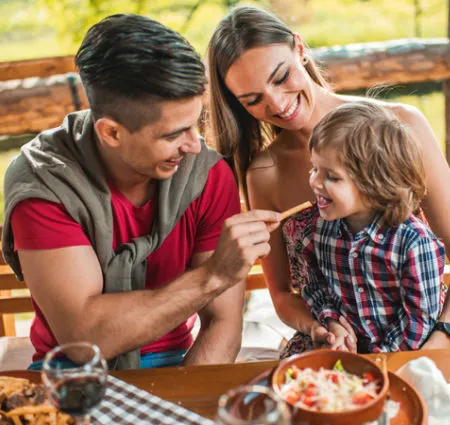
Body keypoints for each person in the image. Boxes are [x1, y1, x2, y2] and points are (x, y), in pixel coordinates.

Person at [1, 14, 281, 370]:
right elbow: (86, 340)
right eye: (172, 135)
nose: (194, 146)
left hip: (181, 361)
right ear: (111, 133)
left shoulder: (208, 175)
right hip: (72, 370)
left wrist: (183, 409)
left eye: (196, 124)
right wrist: (213, 275)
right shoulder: (45, 185)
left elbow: (223, 324)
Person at [207, 5, 450, 352]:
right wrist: (322, 327)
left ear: (300, 48)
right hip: (334, 346)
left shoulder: (401, 126)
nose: (277, 104)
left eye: (280, 77)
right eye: (253, 100)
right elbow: (281, 295)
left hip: (424, 334)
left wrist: (438, 341)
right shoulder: (264, 173)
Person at [282, 101, 446, 355]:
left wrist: (377, 358)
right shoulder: (319, 229)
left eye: (332, 177)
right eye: (314, 168)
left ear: (375, 184)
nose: (315, 182)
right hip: (347, 347)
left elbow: (418, 320)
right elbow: (314, 287)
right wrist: (331, 322)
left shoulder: (415, 244)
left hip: (402, 350)